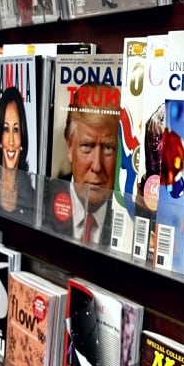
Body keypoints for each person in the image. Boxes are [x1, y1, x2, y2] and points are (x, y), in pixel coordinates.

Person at [47, 83, 120, 245]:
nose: (97, 166)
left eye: (108, 148)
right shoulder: (42, 200)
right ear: (69, 147)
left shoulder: (131, 217)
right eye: (87, 146)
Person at [0, 86, 35, 218]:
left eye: (16, 130)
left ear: (22, 137)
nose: (11, 141)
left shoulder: (32, 198)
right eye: (5, 129)